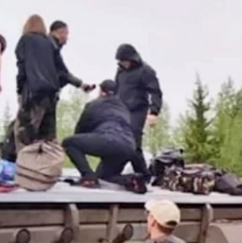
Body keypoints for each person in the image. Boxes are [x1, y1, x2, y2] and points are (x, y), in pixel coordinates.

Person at [62, 80, 148, 192]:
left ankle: (88, 177)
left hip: (109, 139)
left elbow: (79, 131)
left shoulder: (93, 105)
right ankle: (131, 180)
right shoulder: (124, 108)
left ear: (102, 92)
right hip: (129, 146)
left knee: (69, 143)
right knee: (104, 177)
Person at [14, 14, 67, 147]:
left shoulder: (25, 41)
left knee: (25, 134)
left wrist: (19, 90)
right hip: (51, 95)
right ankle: (47, 165)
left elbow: (22, 68)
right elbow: (61, 70)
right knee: (47, 136)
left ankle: (25, 164)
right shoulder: (50, 44)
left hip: (33, 93)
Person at [114, 43, 162, 180]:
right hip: (121, 110)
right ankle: (112, 171)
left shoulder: (146, 71)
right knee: (118, 141)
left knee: (133, 143)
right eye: (120, 61)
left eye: (124, 61)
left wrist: (153, 112)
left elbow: (155, 92)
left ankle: (143, 175)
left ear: (132, 59)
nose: (122, 64)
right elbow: (117, 89)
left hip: (137, 110)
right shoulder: (120, 71)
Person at [48, 20, 94, 93]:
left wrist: (80, 84)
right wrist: (80, 84)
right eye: (66, 34)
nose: (67, 38)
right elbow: (63, 72)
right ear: (60, 32)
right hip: (45, 90)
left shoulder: (49, 47)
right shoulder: (52, 48)